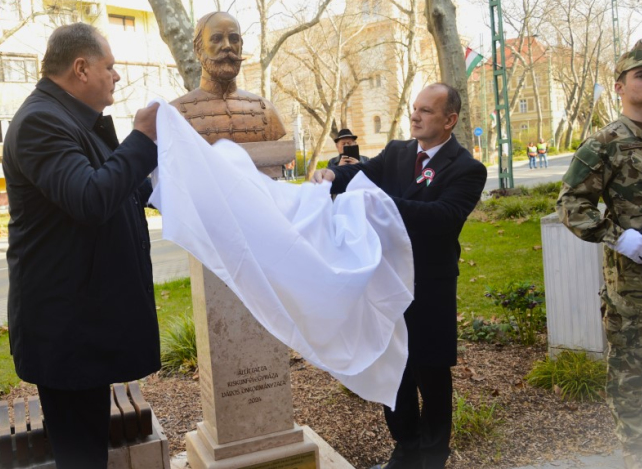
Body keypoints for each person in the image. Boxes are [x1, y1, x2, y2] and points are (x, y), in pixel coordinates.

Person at [1, 23, 161, 468]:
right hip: (64, 331)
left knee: (88, 450)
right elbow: (90, 198)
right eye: (109, 67)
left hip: (83, 325)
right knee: (81, 457)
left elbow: (110, 192)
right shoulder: (40, 122)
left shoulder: (68, 120)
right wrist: (143, 140)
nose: (117, 76)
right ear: (81, 68)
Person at [313, 83, 487, 469]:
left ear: (449, 120)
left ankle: (432, 458)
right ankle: (405, 450)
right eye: (414, 109)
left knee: (432, 375)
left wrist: (384, 203)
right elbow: (361, 175)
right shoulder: (396, 152)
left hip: (429, 287)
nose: (416, 116)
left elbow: (443, 218)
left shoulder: (467, 169)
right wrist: (330, 177)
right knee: (395, 371)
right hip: (386, 284)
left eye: (426, 111)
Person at [556, 38, 642, 469]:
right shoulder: (605, 142)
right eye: (640, 75)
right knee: (632, 378)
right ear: (619, 87)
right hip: (633, 290)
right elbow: (571, 204)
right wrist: (620, 237)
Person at [170, 12, 285, 145]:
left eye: (234, 39)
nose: (227, 46)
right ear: (198, 50)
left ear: (241, 46)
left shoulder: (265, 111)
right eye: (217, 39)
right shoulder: (174, 113)